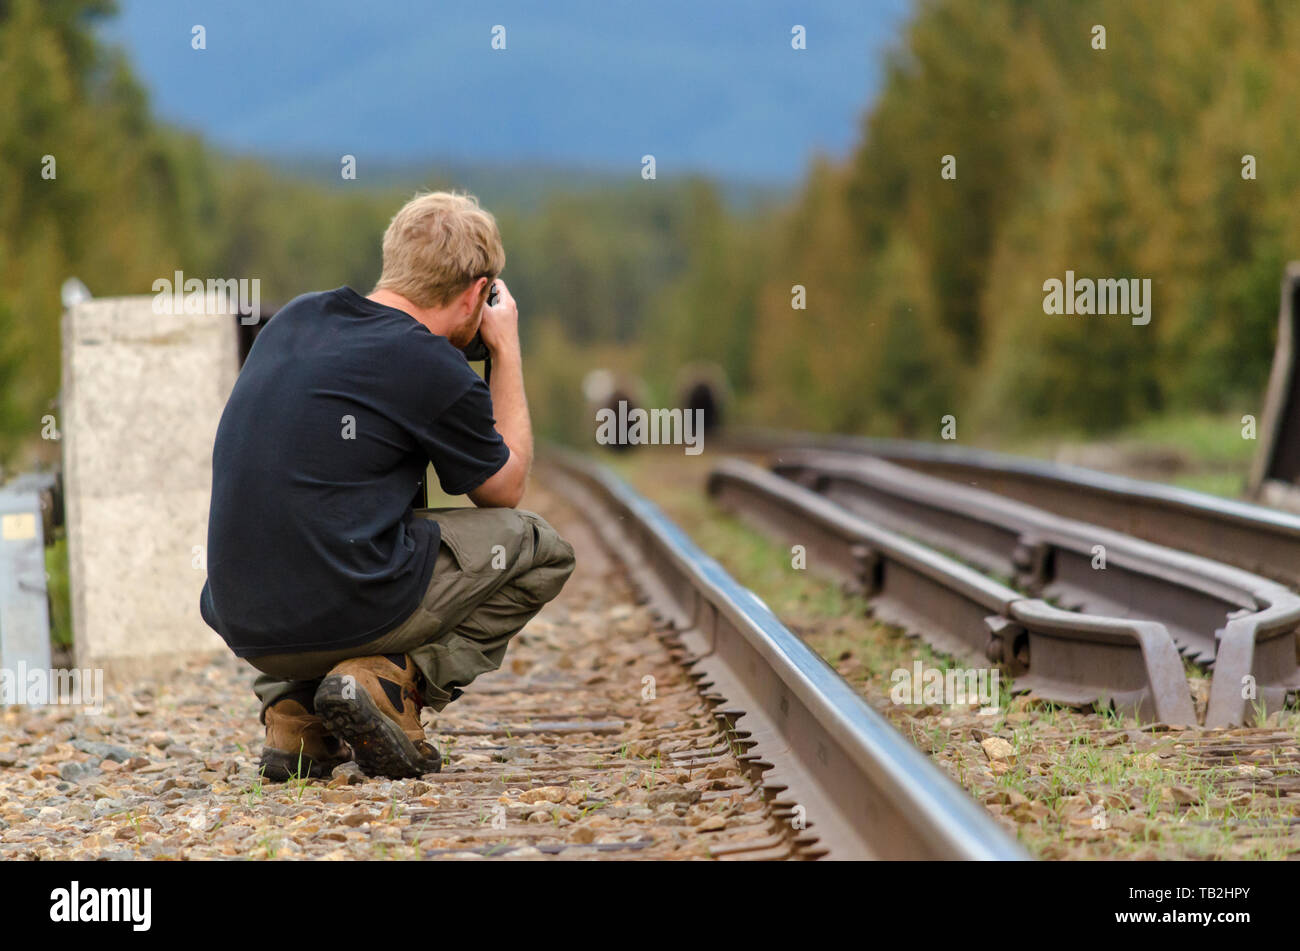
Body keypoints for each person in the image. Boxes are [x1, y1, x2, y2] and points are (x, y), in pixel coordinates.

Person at [199, 191, 575, 780]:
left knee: (358, 512)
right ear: (479, 293)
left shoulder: (295, 320)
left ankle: (295, 711)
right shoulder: (428, 364)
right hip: (341, 608)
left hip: (243, 619)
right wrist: (505, 349)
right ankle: (394, 684)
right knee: (540, 548)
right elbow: (504, 489)